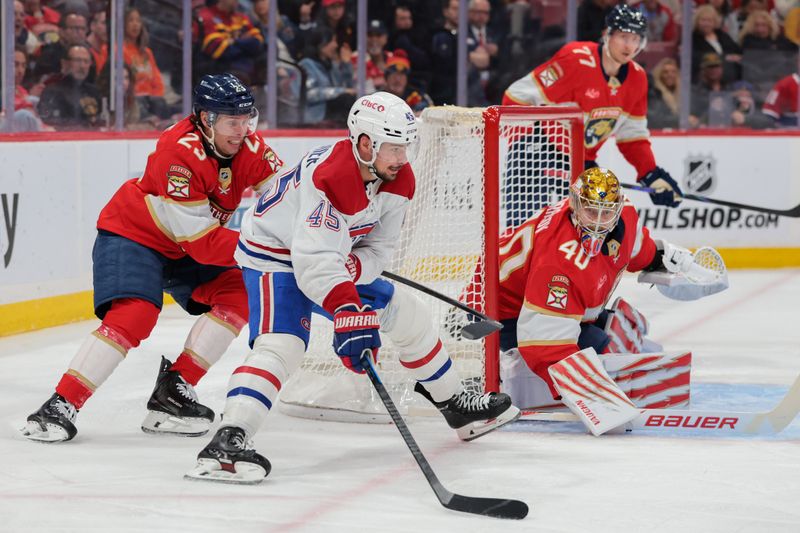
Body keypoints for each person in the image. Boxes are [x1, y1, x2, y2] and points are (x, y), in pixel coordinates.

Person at [185, 91, 520, 484]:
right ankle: (229, 439)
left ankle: (454, 403)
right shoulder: (331, 177)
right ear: (365, 143)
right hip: (274, 256)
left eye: (406, 146)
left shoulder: (398, 178)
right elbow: (312, 264)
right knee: (283, 346)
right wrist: (347, 309)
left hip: (328, 258)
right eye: (393, 147)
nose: (402, 157)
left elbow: (379, 248)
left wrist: (354, 268)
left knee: (404, 313)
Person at [21, 73, 283, 443]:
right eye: (232, 122)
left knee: (240, 291)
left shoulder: (250, 147)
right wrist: (270, 248)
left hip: (183, 245)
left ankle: (173, 391)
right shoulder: (178, 153)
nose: (242, 130)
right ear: (206, 119)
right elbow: (203, 243)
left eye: (246, 120)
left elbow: (284, 196)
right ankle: (60, 404)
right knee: (136, 313)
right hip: (135, 236)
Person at [467, 167, 726, 417]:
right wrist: (593, 397)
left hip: (527, 292)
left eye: (607, 213)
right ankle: (504, 377)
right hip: (493, 308)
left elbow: (640, 252)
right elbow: (543, 345)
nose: (599, 222)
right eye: (591, 211)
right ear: (575, 205)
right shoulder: (559, 261)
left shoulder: (625, 218)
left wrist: (674, 263)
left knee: (622, 325)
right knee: (600, 346)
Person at [503, 4, 684, 216]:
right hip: (538, 149)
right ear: (607, 35)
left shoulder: (638, 79)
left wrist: (651, 173)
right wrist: (525, 144)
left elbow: (632, 137)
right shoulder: (575, 59)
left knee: (589, 228)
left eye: (636, 39)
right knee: (526, 228)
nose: (630, 46)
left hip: (581, 161)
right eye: (624, 36)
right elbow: (516, 96)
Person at [37, 44, 101, 130]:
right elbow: (50, 120)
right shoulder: (52, 92)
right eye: (77, 60)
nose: (82, 66)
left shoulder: (94, 92)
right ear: (65, 63)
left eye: (86, 61)